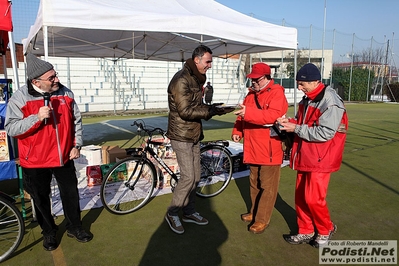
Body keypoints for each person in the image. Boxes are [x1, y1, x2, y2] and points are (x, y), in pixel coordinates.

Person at [5, 54, 93, 251]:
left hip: (64, 157)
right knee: (41, 198)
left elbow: (76, 121)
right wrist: (36, 118)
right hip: (35, 161)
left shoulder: (65, 93)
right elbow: (11, 128)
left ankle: (75, 227)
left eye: (56, 75)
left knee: (70, 194)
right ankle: (49, 232)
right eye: (51, 78)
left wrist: (76, 144)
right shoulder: (20, 98)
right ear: (36, 81)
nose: (57, 80)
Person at [277, 63, 348, 248]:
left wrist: (296, 127)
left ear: (315, 81)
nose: (299, 88)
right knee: (301, 196)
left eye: (302, 84)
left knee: (313, 198)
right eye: (299, 84)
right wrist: (290, 122)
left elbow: (325, 133)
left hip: (322, 157)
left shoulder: (330, 101)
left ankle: (326, 229)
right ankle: (305, 230)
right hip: (307, 155)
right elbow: (304, 123)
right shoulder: (308, 98)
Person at [165, 45, 232, 234]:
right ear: (197, 60)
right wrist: (210, 111)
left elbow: (196, 105)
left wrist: (213, 107)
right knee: (188, 176)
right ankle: (173, 212)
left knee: (195, 175)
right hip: (181, 135)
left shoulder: (195, 78)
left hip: (193, 133)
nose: (210, 65)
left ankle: (189, 211)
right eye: (208, 61)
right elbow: (185, 111)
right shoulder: (181, 79)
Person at [231, 62, 288, 234]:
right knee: (254, 183)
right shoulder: (251, 95)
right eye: (252, 79)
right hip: (253, 146)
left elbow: (272, 116)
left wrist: (247, 114)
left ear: (267, 77)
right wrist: (237, 130)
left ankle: (262, 219)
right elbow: (242, 115)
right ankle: (255, 213)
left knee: (267, 186)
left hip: (269, 147)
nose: (254, 82)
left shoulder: (277, 94)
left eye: (257, 79)